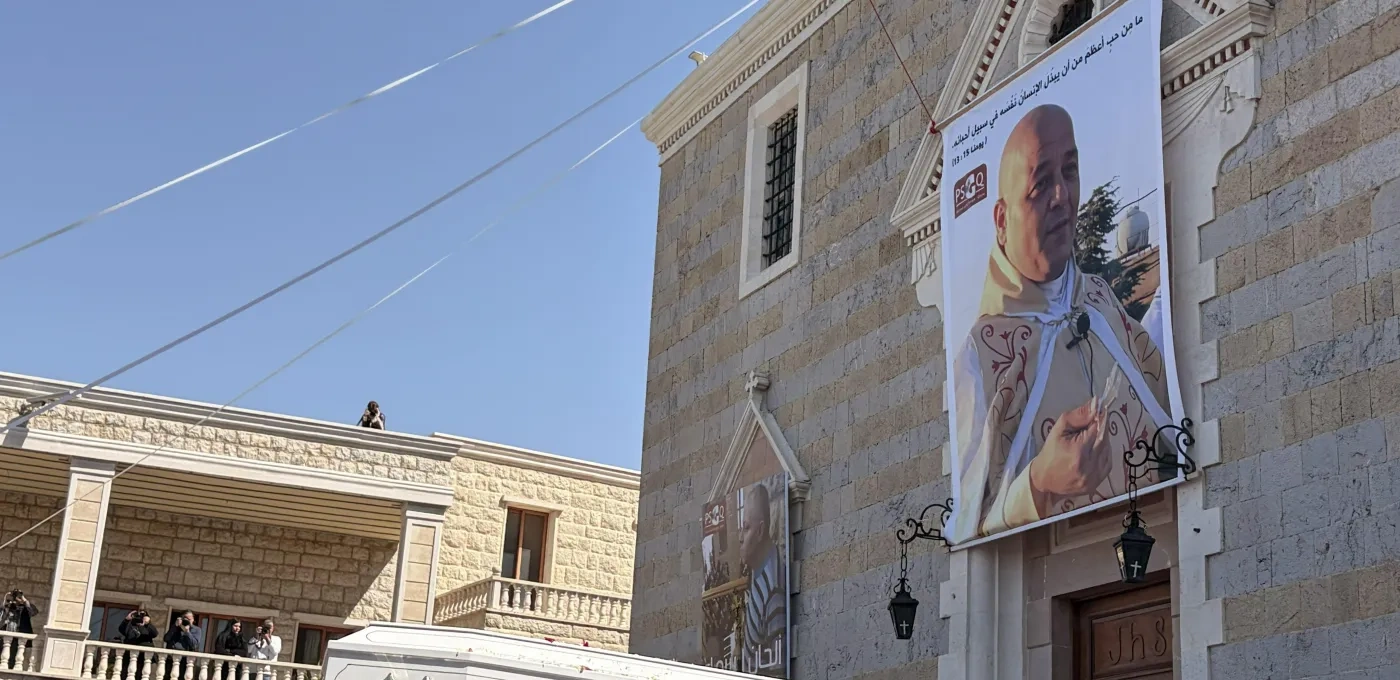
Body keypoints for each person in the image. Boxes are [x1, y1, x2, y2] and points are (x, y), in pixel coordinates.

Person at [950, 104, 1171, 544]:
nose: (1062, 196)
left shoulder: (1100, 298)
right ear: (1000, 219)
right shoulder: (982, 357)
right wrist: (1040, 481)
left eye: (1069, 172)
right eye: (1040, 184)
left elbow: (1165, 401)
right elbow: (967, 525)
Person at [738, 482, 785, 677]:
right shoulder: (756, 571)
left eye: (746, 528)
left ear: (760, 531)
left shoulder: (773, 590)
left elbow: (778, 671)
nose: (740, 537)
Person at [0, 590, 38, 669]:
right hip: (3, 638)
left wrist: (23, 600)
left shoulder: (24, 609)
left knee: (12, 660)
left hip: (17, 640)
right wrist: (6, 602)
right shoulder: (6, 607)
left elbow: (34, 611)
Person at [163, 610, 204, 680]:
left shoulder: (197, 630)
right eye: (186, 619)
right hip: (171, 658)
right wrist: (174, 626)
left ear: (193, 619)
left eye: (190, 619)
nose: (188, 621)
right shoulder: (176, 627)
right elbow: (166, 639)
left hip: (185, 660)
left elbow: (194, 645)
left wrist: (187, 632)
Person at [116, 609, 158, 678]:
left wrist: (147, 623)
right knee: (125, 673)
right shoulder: (131, 625)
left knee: (140, 674)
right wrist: (127, 619)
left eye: (142, 615)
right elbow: (121, 629)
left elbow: (155, 634)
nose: (140, 617)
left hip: (143, 656)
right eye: (138, 615)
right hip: (129, 654)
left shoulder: (147, 627)